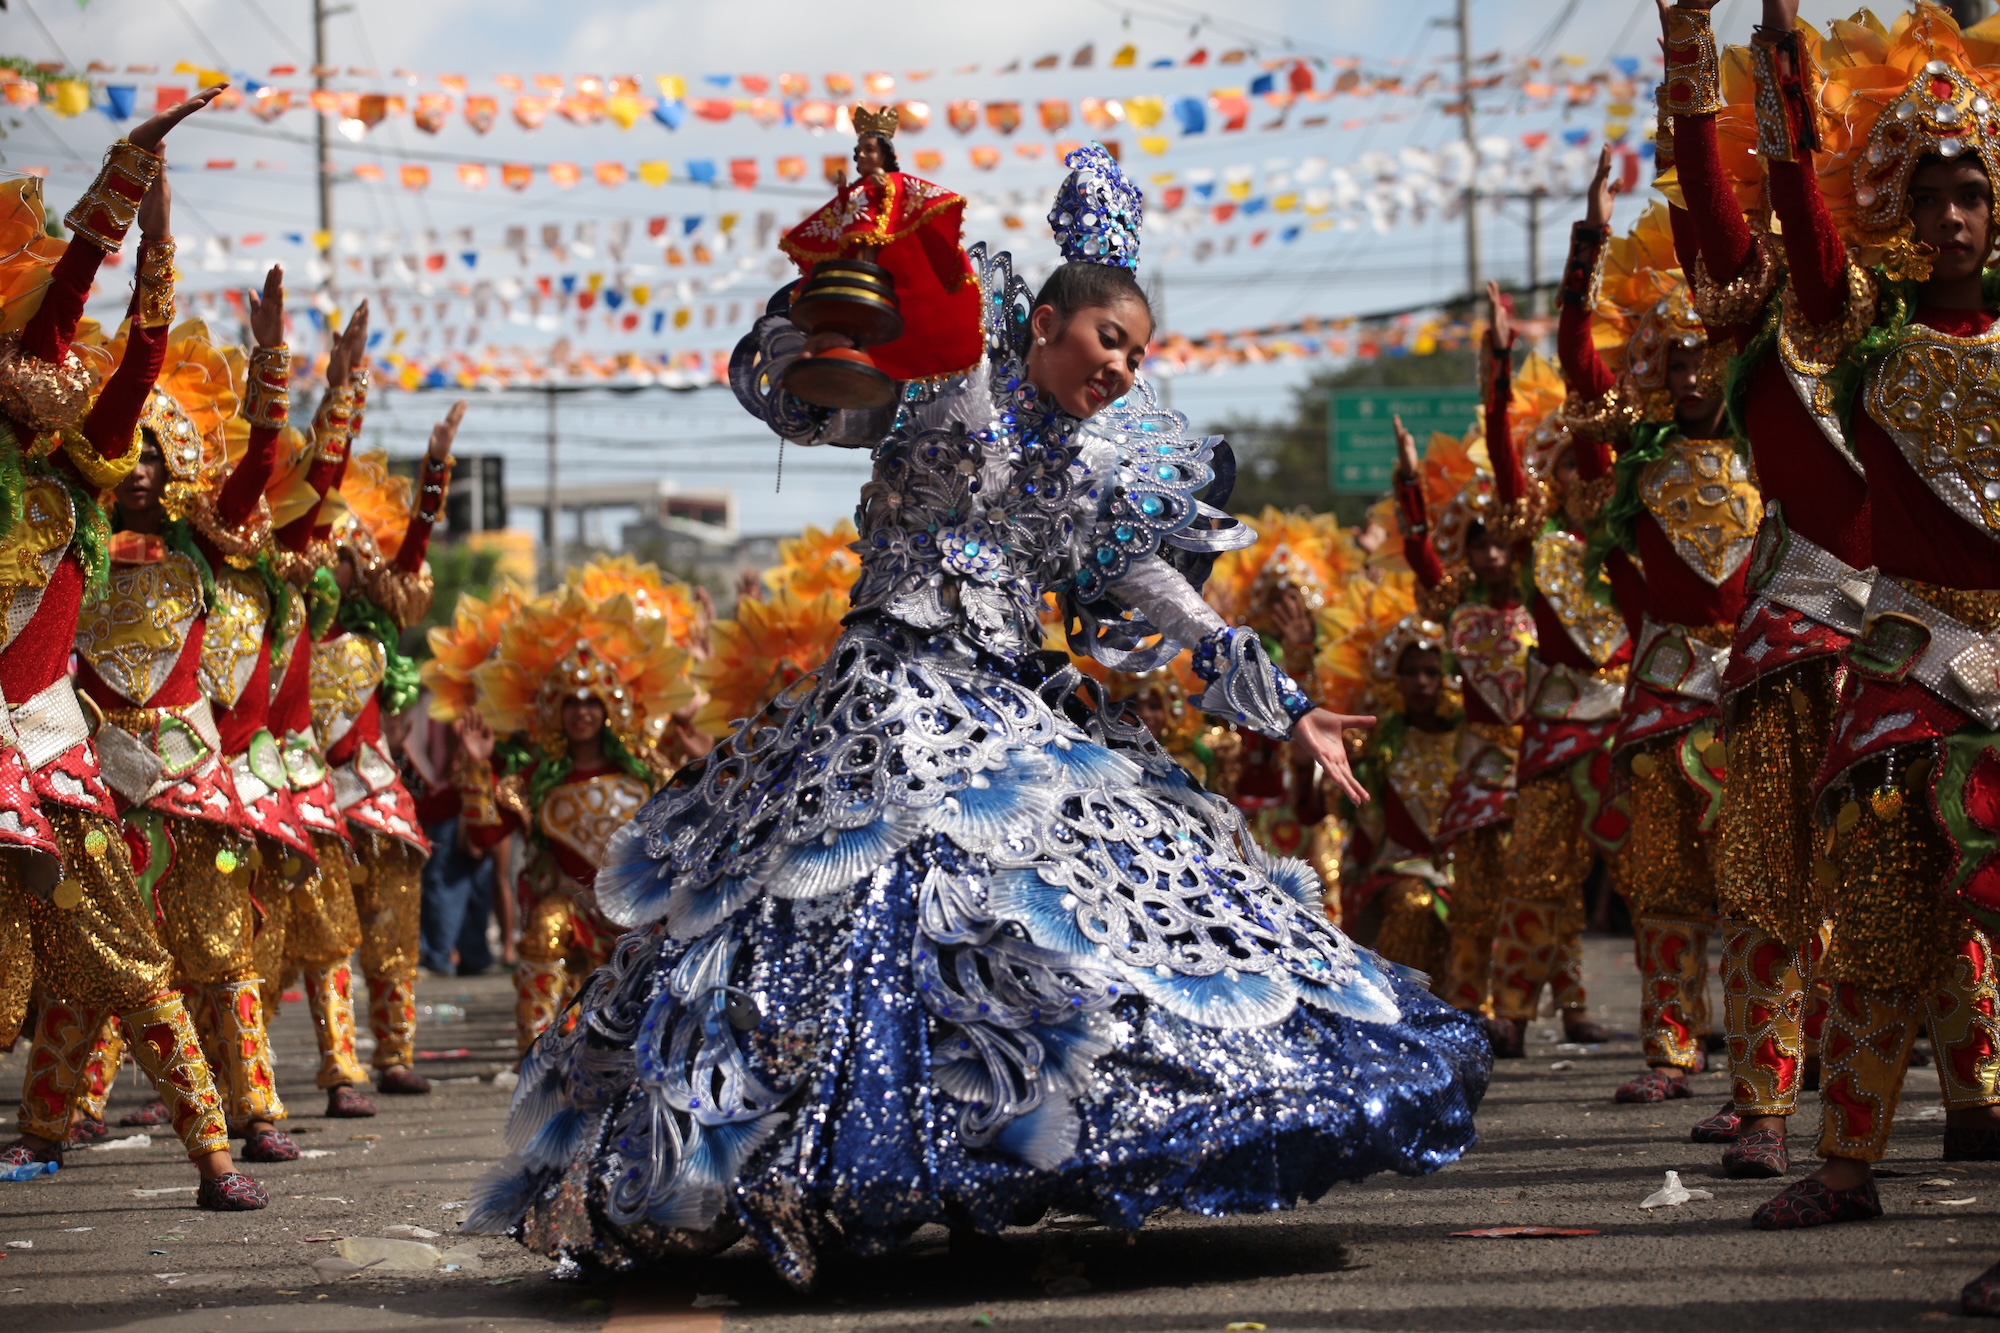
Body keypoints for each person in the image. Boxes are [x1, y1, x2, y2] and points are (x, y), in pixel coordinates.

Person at [466, 144, 1489, 1287]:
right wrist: (891, 244)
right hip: (894, 687)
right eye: (1108, 340)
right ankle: (810, 1157)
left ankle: (1006, 1147)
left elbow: (1148, 583)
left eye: (1139, 355)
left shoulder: (1099, 465)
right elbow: (829, 390)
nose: (1121, 368)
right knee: (859, 912)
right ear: (1046, 322)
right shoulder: (955, 378)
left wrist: (1282, 702)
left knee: (1077, 909)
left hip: (1009, 702)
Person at [1691, 0, 2000, 1232]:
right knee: (1872, 923)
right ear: (1897, 216)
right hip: (1906, 671)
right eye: (1923, 199)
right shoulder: (1866, 338)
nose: (1947, 218)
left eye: (1967, 195)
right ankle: (1843, 1167)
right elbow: (1798, 240)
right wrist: (1771, 69)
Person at [0, 89, 272, 1210]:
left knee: (128, 960)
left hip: (58, 760)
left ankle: (216, 1147)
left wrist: (136, 217)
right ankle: (51, 1124)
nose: (34, 367)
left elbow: (107, 335)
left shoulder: (69, 479)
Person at [70, 293, 301, 1164]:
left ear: (179, 471)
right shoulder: (75, 538)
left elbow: (257, 471)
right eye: (132, 448)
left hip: (191, 773)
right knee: (101, 951)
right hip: (92, 765)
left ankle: (259, 1110)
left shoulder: (205, 554)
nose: (142, 469)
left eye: (160, 455)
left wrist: (269, 367)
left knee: (223, 948)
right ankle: (62, 1110)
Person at [1559, 162, 1762, 1105]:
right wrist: (1586, 249)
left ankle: (1769, 1065)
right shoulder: (1635, 464)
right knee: (1663, 884)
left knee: (1760, 886)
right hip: (1660, 698)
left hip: (1759, 695)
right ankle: (1672, 1049)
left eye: (1703, 357)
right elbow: (1578, 371)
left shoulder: (1778, 447)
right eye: (1672, 361)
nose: (1689, 375)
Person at [444, 568, 693, 1055]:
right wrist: (476, 770)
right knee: (545, 925)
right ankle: (535, 1047)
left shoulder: (647, 773)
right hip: (570, 904)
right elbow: (483, 838)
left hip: (636, 908)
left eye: (591, 703)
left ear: (608, 711)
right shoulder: (535, 778)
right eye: (572, 703)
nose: (582, 712)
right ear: (555, 710)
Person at [1476, 308, 1630, 1056]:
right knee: (1535, 866)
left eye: (1586, 460)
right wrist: (1499, 377)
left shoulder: (1632, 526)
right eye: (1561, 463)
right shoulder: (1536, 539)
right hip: (1556, 717)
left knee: (1656, 870)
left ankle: (1692, 1020)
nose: (1576, 472)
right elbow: (1506, 463)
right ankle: (1507, 1008)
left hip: (1635, 710)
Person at [308, 421, 462, 1097]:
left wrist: (434, 472)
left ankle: (395, 1056)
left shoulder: (379, 632)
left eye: (345, 557)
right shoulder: (281, 632)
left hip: (377, 802)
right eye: (322, 554)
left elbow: (415, 549)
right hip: (311, 803)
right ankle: (342, 1068)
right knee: (329, 942)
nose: (332, 569)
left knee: (394, 937)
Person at [1341, 614, 1460, 983]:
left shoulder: (1468, 738)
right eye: (1410, 672)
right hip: (1397, 869)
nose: (1421, 682)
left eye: (1430, 671)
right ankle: (1409, 1005)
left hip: (1464, 865)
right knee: (1415, 904)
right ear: (1395, 678)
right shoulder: (1378, 747)